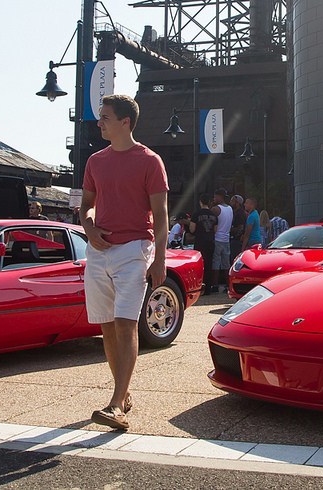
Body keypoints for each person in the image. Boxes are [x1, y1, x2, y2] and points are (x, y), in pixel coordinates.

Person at [80, 94, 169, 431]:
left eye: (104, 117)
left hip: (135, 249)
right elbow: (87, 204)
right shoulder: (95, 161)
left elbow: (160, 215)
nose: (99, 122)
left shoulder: (150, 160)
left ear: (124, 122)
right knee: (105, 324)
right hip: (99, 250)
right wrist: (89, 227)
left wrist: (160, 257)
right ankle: (124, 392)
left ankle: (116, 403)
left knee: (124, 323)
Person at [189, 194, 217, 288]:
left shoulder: (196, 214)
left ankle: (200, 285)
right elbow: (215, 229)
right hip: (210, 241)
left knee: (199, 264)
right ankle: (208, 286)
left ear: (200, 202)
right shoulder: (214, 215)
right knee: (209, 264)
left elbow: (192, 229)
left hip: (200, 242)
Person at [210, 189, 233, 294]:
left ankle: (214, 285)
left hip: (217, 238)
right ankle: (228, 284)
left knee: (216, 262)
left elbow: (210, 219)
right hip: (226, 239)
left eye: (215, 197)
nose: (214, 199)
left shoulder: (216, 209)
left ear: (220, 197)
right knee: (226, 263)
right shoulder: (230, 209)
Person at [229, 194, 247, 259]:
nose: (230, 202)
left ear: (237, 203)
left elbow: (241, 228)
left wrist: (230, 230)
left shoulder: (240, 214)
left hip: (236, 241)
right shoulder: (233, 212)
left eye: (232, 201)